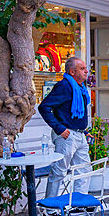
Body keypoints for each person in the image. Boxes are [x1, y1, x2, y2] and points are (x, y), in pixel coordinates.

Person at [39, 56, 92, 197]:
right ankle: (50, 207)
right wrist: (59, 128)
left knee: (84, 169)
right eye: (82, 69)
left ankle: (79, 202)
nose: (86, 71)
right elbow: (44, 107)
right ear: (72, 71)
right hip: (66, 135)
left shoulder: (80, 88)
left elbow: (74, 113)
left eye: (86, 68)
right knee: (59, 171)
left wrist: (84, 131)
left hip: (79, 135)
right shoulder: (64, 86)